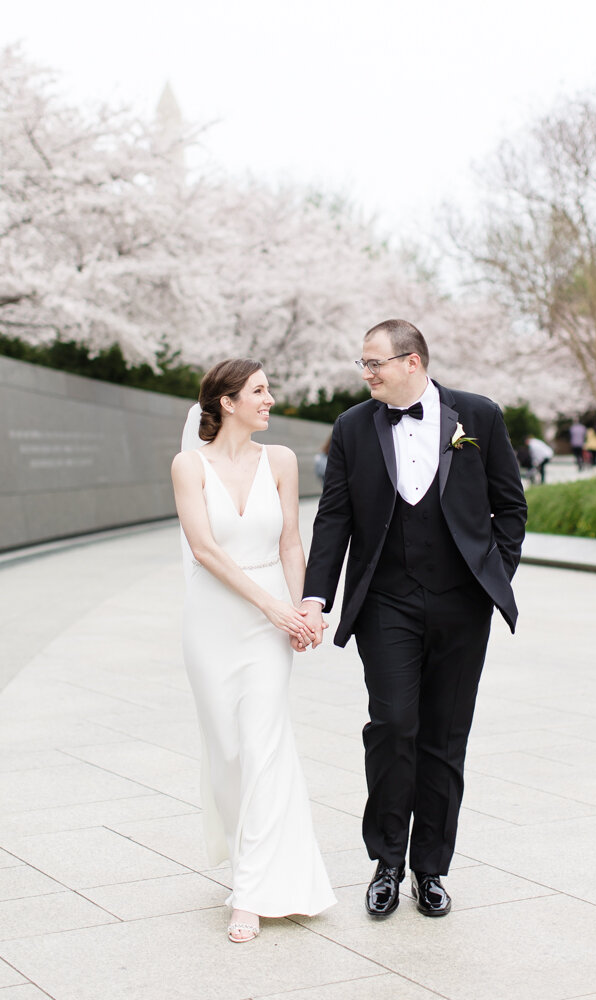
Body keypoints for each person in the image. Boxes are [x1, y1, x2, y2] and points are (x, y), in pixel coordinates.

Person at [297, 320, 526, 919]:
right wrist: (316, 597)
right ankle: (387, 862)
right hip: (386, 602)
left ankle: (431, 869)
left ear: (413, 362)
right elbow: (334, 518)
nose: (366, 372)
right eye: (363, 363)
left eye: (375, 362)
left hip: (462, 603)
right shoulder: (352, 426)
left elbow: (511, 504)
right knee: (393, 725)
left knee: (445, 738)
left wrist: (492, 575)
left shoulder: (478, 416)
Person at [171, 359, 335, 943]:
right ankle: (243, 858)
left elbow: (292, 539)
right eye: (260, 391)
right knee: (228, 749)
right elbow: (206, 550)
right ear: (226, 402)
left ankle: (254, 888)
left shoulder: (283, 461)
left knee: (264, 743)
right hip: (213, 621)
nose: (270, 399)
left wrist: (303, 608)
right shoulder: (188, 466)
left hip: (272, 623)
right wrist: (273, 608)